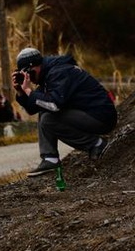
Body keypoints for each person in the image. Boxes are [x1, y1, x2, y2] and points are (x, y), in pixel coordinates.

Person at [12, 47, 117, 176]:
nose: (30, 79)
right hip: (88, 114)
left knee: (49, 118)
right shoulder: (47, 75)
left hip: (101, 117)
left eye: (30, 74)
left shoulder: (60, 72)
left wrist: (29, 91)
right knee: (43, 109)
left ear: (35, 66)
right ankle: (50, 158)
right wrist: (21, 91)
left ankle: (96, 144)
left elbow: (54, 105)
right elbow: (33, 108)